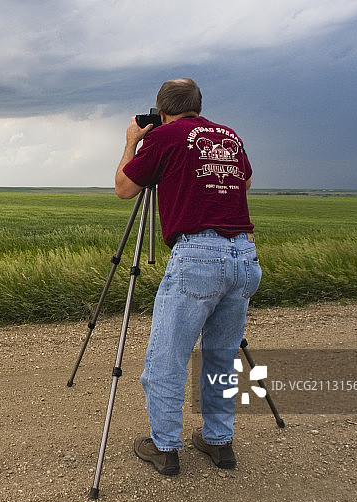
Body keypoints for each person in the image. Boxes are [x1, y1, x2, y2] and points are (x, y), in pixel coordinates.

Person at [114, 78, 261, 475]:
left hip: (198, 255)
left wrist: (132, 141)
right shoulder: (228, 135)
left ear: (161, 111)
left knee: (168, 358)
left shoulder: (164, 138)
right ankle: (218, 442)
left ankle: (165, 447)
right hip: (244, 256)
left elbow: (125, 188)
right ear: (199, 105)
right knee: (221, 355)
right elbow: (244, 181)